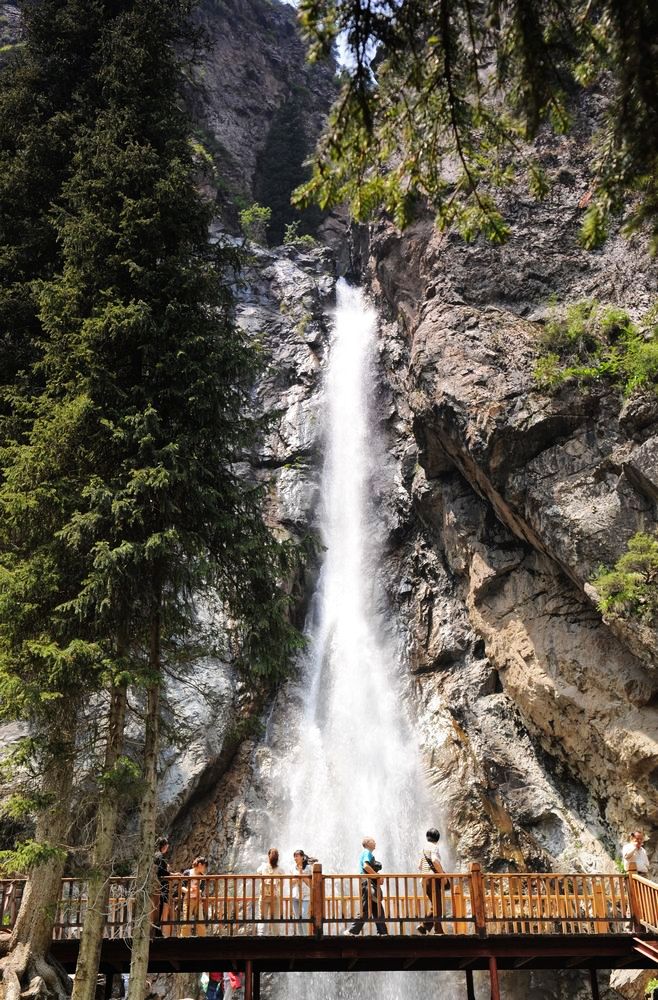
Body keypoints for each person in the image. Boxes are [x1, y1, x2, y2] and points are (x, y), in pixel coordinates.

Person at [344, 836, 387, 936]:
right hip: (367, 883)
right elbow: (366, 866)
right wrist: (377, 877)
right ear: (367, 843)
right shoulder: (366, 852)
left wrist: (377, 877)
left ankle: (383, 932)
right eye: (373, 841)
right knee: (366, 908)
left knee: (377, 907)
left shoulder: (368, 853)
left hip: (369, 883)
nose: (375, 842)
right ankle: (352, 931)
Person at [416, 827, 445, 935]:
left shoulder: (423, 849)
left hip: (424, 880)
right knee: (437, 905)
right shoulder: (434, 847)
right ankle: (427, 926)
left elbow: (419, 866)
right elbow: (435, 860)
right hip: (432, 879)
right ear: (437, 838)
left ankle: (432, 928)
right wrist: (442, 874)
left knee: (435, 904)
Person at [257, 848, 283, 935]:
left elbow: (258, 872)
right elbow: (282, 883)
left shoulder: (263, 867)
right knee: (271, 917)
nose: (274, 857)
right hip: (271, 895)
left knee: (264, 917)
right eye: (273, 855)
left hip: (269, 895)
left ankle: (264, 935)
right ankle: (273, 936)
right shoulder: (279, 869)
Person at [181, 856, 209, 937]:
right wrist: (189, 891)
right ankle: (183, 939)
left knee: (201, 923)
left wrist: (198, 891)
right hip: (188, 899)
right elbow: (181, 887)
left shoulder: (202, 876)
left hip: (198, 900)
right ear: (200, 864)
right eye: (204, 867)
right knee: (186, 923)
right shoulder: (187, 873)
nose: (204, 869)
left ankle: (202, 939)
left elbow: (201, 889)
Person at [291, 850, 314, 933]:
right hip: (295, 895)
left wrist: (301, 874)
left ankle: (306, 935)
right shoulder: (292, 868)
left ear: (302, 857)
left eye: (297, 856)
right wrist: (297, 878)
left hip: (305, 895)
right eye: (294, 856)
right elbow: (291, 883)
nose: (295, 858)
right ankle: (301, 936)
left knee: (304, 915)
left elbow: (310, 883)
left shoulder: (308, 868)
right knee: (297, 917)